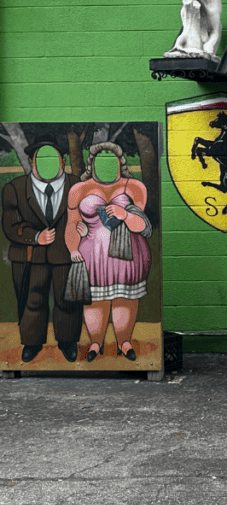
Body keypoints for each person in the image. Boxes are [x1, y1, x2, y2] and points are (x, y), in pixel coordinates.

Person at [65, 142, 152, 362]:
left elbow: (142, 226)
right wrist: (73, 246)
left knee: (125, 297)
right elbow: (71, 223)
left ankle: (124, 342)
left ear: (119, 163)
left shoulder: (135, 187)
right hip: (91, 255)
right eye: (99, 160)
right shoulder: (78, 190)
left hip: (128, 254)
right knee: (94, 300)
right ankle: (96, 342)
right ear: (91, 164)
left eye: (110, 160)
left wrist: (124, 214)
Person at [1, 135, 83, 363]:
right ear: (32, 162)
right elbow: (10, 224)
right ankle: (31, 343)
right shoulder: (14, 188)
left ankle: (68, 341)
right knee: (31, 299)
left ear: (62, 161)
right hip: (29, 256)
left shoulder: (76, 185)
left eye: (53, 157)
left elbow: (85, 215)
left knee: (67, 300)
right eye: (41, 158)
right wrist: (36, 236)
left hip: (65, 254)